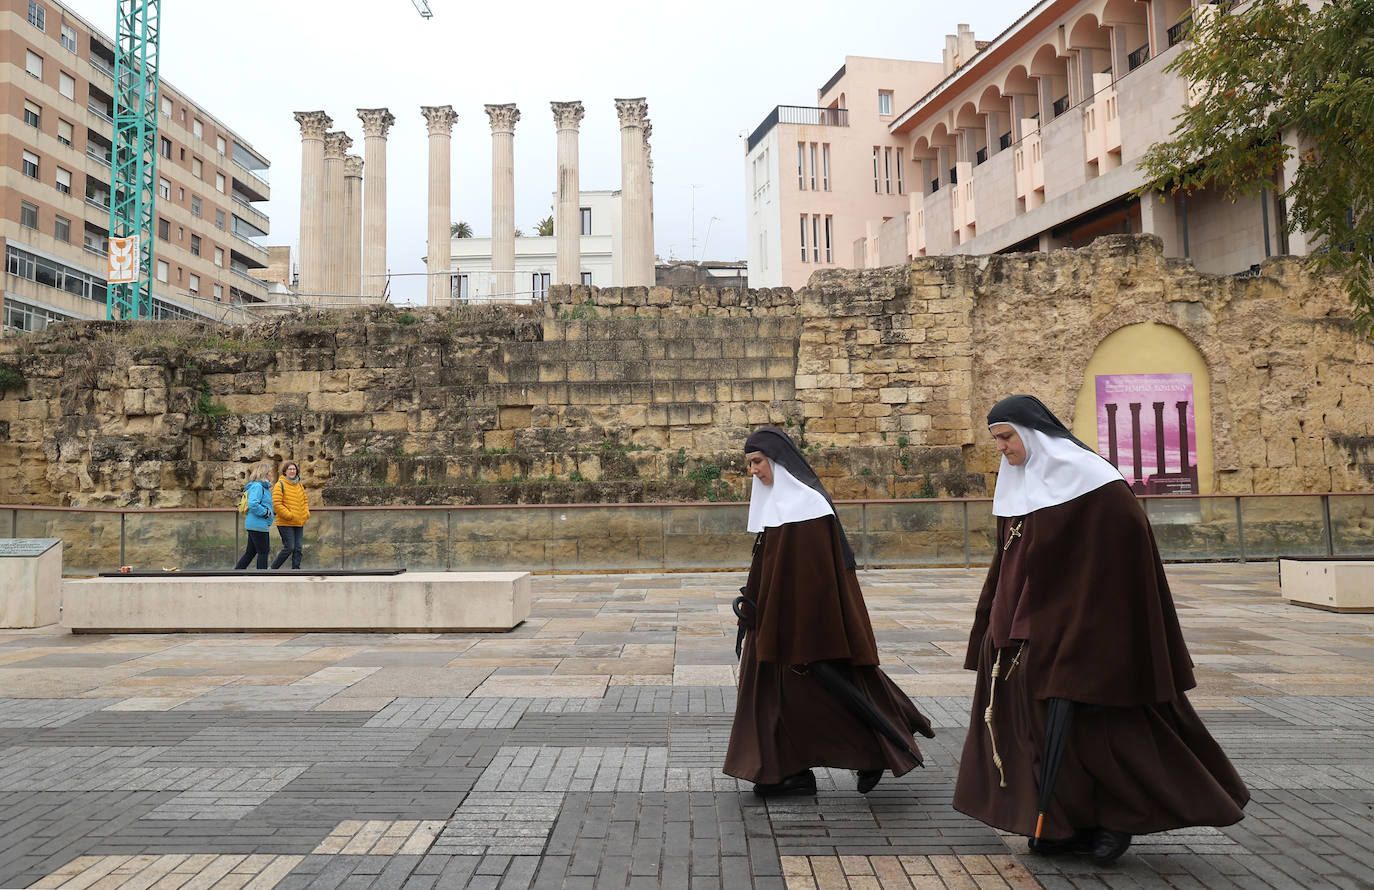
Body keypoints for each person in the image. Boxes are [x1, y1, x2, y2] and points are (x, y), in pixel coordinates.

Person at [953, 395, 1248, 864]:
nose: (1002, 449)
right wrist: (996, 622)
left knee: (1104, 732)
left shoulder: (1096, 484)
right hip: (1027, 635)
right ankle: (1064, 824)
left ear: (1031, 433)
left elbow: (1123, 560)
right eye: (996, 440)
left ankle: (1119, 819)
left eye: (1006, 437)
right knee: (1039, 729)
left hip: (1092, 633)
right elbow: (1009, 561)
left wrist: (1088, 625)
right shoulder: (1020, 485)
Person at [724, 426, 934, 796]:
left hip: (803, 628)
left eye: (757, 462)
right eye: (750, 464)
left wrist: (791, 629)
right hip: (775, 624)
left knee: (829, 692)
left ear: (776, 460)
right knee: (781, 700)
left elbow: (814, 581)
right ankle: (786, 772)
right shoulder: (780, 508)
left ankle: (875, 752)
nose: (753, 471)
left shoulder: (806, 506)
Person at [234, 462, 275, 570]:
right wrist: (265, 512)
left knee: (251, 552)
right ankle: (262, 577)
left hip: (257, 524)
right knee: (263, 552)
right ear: (264, 474)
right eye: (270, 473)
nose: (272, 475)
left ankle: (236, 573)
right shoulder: (257, 486)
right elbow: (253, 503)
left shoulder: (262, 487)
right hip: (258, 524)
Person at [270, 460, 310, 570]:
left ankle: (296, 570)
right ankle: (272, 569)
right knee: (289, 547)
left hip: (299, 521)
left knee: (298, 548)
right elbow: (276, 504)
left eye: (294, 469)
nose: (292, 471)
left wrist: (306, 513)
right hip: (285, 522)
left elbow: (305, 501)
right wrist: (289, 515)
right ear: (285, 471)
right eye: (290, 469)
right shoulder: (280, 484)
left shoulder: (299, 484)